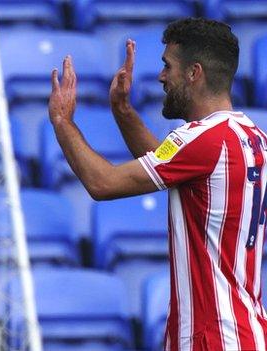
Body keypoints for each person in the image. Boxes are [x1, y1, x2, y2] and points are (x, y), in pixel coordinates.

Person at [49, 17, 267, 350]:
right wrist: (122, 110)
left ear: (194, 73)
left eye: (167, 66)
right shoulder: (252, 138)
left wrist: (63, 123)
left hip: (213, 338)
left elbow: (102, 183)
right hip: (244, 330)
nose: (162, 76)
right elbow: (167, 162)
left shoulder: (201, 139)